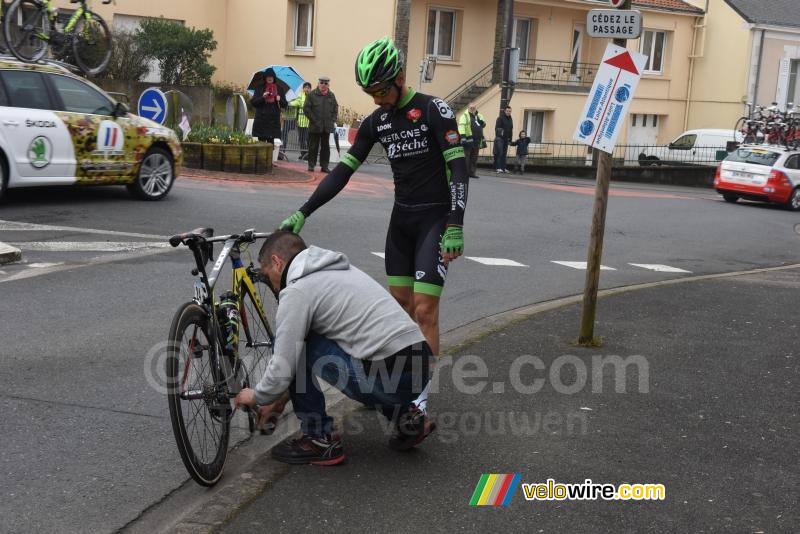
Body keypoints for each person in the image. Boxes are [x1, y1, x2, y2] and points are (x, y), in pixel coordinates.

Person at [279, 36, 469, 414]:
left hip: (435, 219)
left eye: (381, 90)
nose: (376, 98)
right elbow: (342, 173)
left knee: (425, 308)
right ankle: (392, 383)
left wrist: (456, 223)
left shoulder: (434, 110)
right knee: (398, 307)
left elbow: (459, 169)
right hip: (401, 221)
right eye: (370, 92)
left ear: (399, 77)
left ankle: (417, 397)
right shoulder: (377, 121)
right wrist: (305, 210)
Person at [234, 231, 435, 465]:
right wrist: (278, 401)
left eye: (268, 276)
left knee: (298, 342)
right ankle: (407, 419)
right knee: (367, 352)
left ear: (277, 263)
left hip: (389, 377)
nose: (272, 285)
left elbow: (285, 364)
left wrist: (257, 395)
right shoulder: (340, 270)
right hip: (421, 365)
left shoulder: (298, 290)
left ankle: (319, 439)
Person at [303, 76, 338, 173]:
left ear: (328, 85)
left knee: (325, 147)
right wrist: (314, 120)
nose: (323, 85)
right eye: (321, 83)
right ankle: (311, 165)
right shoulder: (312, 95)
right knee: (313, 146)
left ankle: (324, 166)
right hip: (315, 126)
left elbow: (335, 108)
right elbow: (306, 109)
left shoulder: (331, 95)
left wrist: (333, 120)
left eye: (325, 83)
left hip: (327, 126)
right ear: (318, 83)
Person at [251, 69, 287, 145]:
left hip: (273, 122)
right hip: (261, 121)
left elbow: (285, 105)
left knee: (271, 146)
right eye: (267, 76)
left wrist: (280, 100)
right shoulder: (259, 88)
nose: (269, 78)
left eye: (271, 76)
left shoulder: (279, 89)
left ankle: (271, 157)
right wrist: (262, 97)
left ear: (274, 78)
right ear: (265, 78)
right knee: (261, 144)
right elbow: (254, 103)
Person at [458, 104, 486, 179]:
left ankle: (472, 172)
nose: (472, 109)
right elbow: (461, 126)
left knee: (474, 158)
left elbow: (483, 125)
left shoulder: (479, 115)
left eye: (474, 107)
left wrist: (481, 121)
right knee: (466, 157)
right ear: (468, 108)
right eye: (471, 108)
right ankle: (464, 173)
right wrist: (463, 137)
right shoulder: (464, 116)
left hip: (477, 140)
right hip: (468, 140)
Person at [289, 81, 312, 160]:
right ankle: (303, 154)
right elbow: (296, 102)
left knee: (308, 139)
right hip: (301, 122)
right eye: (305, 87)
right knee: (301, 139)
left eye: (308, 88)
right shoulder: (300, 95)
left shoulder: (312, 97)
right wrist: (288, 103)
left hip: (309, 122)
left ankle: (308, 154)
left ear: (310, 89)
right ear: (303, 89)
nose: (307, 89)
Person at [493, 106, 513, 173]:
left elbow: (511, 130)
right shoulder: (500, 118)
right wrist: (501, 135)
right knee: (499, 153)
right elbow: (497, 128)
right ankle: (498, 168)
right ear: (505, 111)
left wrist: (510, 139)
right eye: (507, 111)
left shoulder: (510, 119)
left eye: (510, 111)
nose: (508, 112)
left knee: (504, 154)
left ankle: (503, 168)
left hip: (506, 139)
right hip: (500, 139)